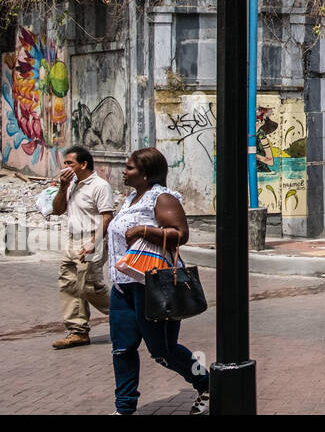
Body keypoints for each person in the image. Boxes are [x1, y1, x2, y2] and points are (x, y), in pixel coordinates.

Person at [106, 147, 210, 415]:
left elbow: (180, 234)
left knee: (163, 350)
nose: (124, 172)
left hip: (152, 287)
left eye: (129, 168)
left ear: (146, 174)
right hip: (122, 286)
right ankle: (124, 408)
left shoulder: (161, 198)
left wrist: (144, 230)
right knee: (122, 350)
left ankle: (208, 384)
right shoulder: (131, 198)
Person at [48, 145, 116, 349]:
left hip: (91, 238)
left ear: (84, 164)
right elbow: (58, 210)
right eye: (65, 163)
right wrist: (62, 186)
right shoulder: (71, 184)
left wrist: (93, 243)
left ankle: (126, 314)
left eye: (70, 163)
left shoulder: (100, 186)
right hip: (72, 239)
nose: (65, 167)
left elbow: (107, 217)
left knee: (89, 286)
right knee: (69, 284)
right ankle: (77, 331)